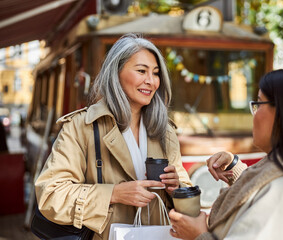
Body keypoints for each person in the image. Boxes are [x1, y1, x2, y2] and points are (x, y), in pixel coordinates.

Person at [35, 33, 192, 240]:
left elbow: (188, 205)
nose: (151, 81)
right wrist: (113, 194)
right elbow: (50, 196)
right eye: (141, 71)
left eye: (155, 73)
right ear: (115, 73)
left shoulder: (165, 131)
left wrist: (176, 189)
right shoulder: (82, 127)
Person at [169, 67, 283, 240]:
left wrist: (198, 235)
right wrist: (234, 167)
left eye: (258, 104)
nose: (253, 114)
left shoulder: (282, 194)